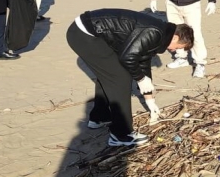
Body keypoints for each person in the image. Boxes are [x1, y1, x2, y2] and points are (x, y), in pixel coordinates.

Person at [66, 9, 194, 147]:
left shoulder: (160, 35)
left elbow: (143, 63)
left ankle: (100, 117)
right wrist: (140, 79)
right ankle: (121, 134)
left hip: (88, 33)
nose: (174, 50)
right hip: (84, 33)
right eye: (178, 47)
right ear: (175, 37)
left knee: (110, 75)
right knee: (120, 78)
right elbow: (127, 58)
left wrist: (150, 99)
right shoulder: (154, 32)